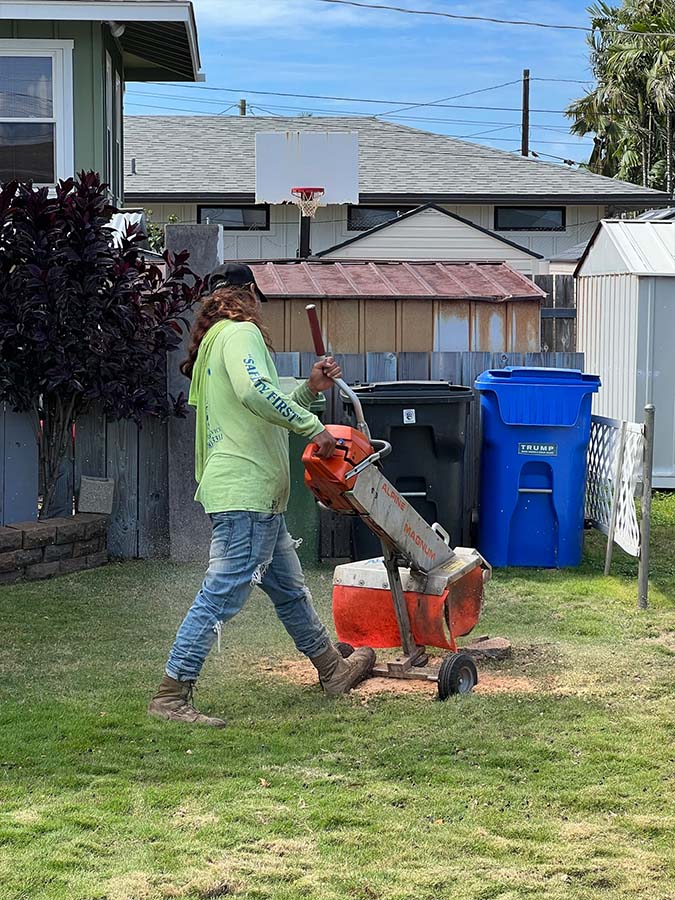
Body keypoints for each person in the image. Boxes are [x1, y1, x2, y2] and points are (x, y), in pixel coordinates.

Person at [149, 263, 375, 727]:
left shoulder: (215, 341)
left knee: (290, 591)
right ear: (249, 293)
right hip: (246, 491)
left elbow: (261, 394)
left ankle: (332, 670)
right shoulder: (241, 333)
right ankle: (171, 695)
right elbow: (257, 392)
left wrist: (310, 389)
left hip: (253, 496)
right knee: (221, 594)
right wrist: (315, 426)